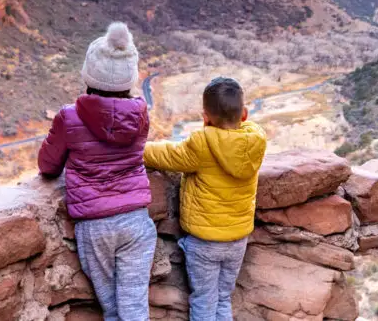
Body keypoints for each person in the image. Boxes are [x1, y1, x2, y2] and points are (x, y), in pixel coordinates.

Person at [38, 22, 154, 321]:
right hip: (136, 221)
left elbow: (48, 166)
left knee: (112, 309)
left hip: (95, 225)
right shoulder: (141, 115)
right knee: (134, 307)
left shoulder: (69, 116)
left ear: (89, 73)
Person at [143, 77, 267, 321]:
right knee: (223, 297)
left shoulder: (202, 143)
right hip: (238, 239)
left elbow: (168, 155)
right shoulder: (255, 141)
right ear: (244, 114)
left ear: (205, 117)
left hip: (205, 242)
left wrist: (138, 149)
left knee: (204, 299)